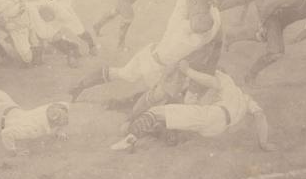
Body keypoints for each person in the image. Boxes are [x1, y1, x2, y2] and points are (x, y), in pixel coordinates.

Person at [70, 0, 269, 102]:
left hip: (156, 58)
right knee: (158, 99)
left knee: (128, 78)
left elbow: (233, 0)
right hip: (156, 65)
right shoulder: (189, 1)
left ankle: (83, 88)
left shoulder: (210, 7)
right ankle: (80, 87)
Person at [109, 60, 275, 152]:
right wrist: (263, 143)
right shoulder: (245, 98)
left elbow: (212, 81)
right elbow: (260, 116)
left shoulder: (222, 78)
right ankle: (161, 130)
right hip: (217, 130)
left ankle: (130, 138)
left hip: (211, 117)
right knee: (179, 117)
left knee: (155, 112)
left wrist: (188, 71)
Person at [224, 0, 306, 86]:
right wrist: (262, 24)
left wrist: (298, 38)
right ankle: (250, 76)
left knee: (261, 37)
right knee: (276, 53)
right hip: (273, 17)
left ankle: (232, 37)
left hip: (280, 25)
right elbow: (274, 4)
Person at [42, 0, 107, 56]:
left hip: (62, 2)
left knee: (56, 26)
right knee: (68, 24)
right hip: (55, 0)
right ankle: (91, 47)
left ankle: (90, 46)